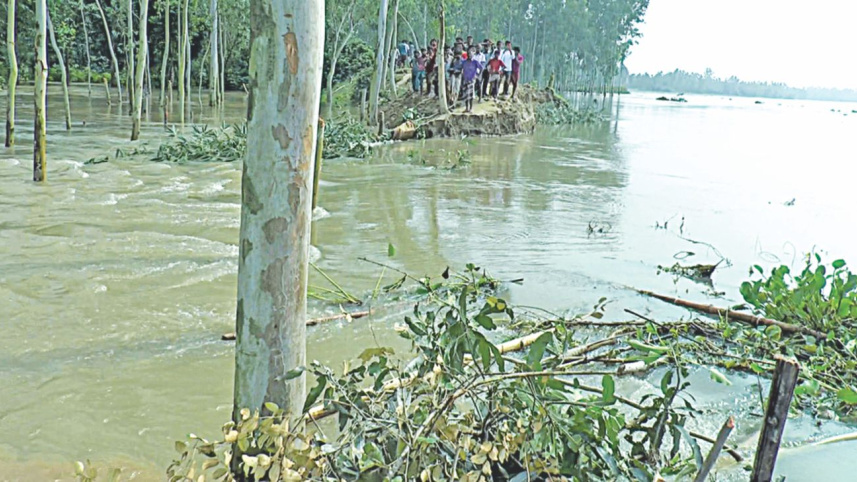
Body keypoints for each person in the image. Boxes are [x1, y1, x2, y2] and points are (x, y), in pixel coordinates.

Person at [460, 46, 482, 113]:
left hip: (472, 80)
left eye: (471, 54)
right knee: (466, 95)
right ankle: (467, 108)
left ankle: (471, 108)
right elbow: (461, 69)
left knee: (471, 95)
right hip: (465, 80)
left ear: (473, 54)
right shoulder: (464, 62)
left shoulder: (475, 62)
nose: (469, 55)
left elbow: (481, 68)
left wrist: (477, 75)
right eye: (468, 53)